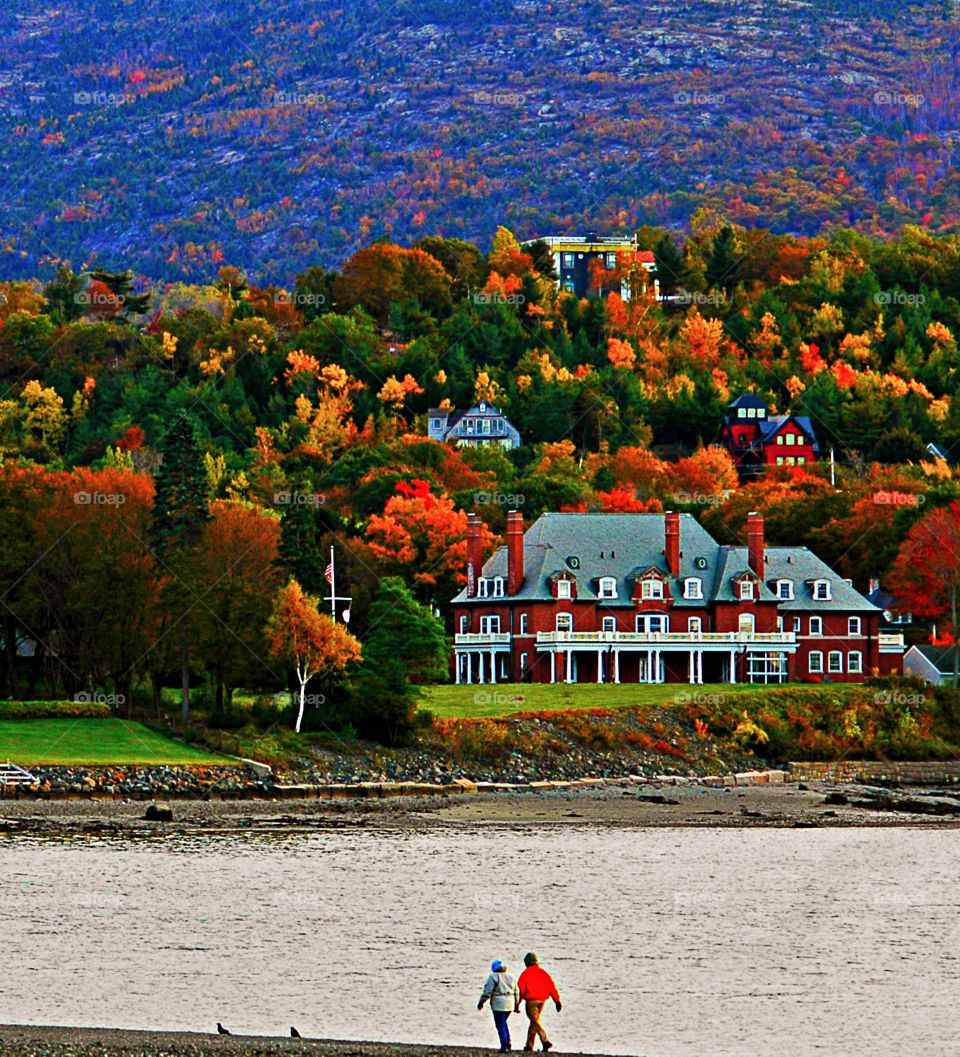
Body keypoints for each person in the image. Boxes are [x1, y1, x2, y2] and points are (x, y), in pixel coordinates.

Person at [516, 952, 561, 1052]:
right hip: (542, 1000)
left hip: (531, 1000)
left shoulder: (525, 974)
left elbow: (520, 991)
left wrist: (517, 1003)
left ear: (527, 963)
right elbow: (551, 987)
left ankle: (545, 1041)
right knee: (534, 1021)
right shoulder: (543, 973)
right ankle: (529, 1045)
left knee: (535, 1021)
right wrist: (557, 1001)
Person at [478, 958, 520, 1052]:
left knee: (500, 1025)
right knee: (503, 1023)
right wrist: (517, 1004)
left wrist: (481, 1002)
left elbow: (487, 991)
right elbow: (517, 991)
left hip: (498, 1004)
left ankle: (504, 1046)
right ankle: (508, 1042)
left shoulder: (493, 977)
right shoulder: (511, 977)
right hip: (510, 1003)